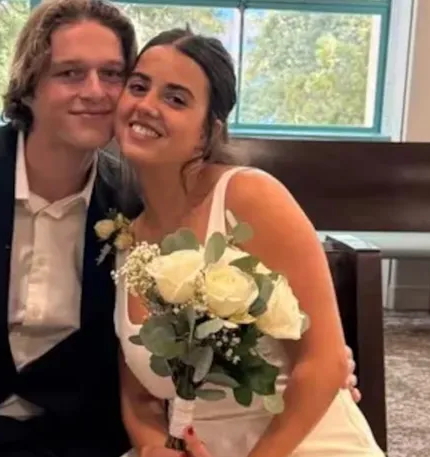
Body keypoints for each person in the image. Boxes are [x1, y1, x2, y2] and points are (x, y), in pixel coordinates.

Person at [0, 1, 359, 456]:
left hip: (75, 438)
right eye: (70, 73)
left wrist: (309, 361)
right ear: (29, 85)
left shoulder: (136, 206)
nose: (96, 91)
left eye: (113, 74)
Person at [113, 28, 384, 457]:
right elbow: (139, 395)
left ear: (208, 132)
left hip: (300, 441)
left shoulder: (248, 197)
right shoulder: (127, 239)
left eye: (176, 99)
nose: (147, 105)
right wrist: (152, 448)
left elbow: (325, 361)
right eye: (139, 87)